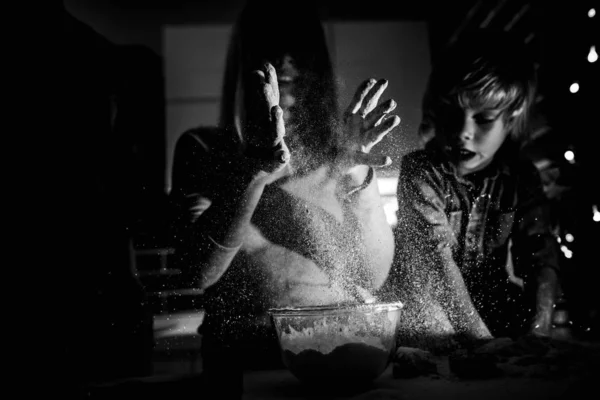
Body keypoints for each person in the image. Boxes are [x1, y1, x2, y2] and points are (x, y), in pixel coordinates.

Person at [168, 0, 401, 396]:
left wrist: (356, 171)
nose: (288, 62)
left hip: (346, 359)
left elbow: (371, 276)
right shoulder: (206, 149)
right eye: (272, 48)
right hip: (244, 367)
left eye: (301, 50)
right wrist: (253, 173)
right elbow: (197, 270)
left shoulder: (340, 155)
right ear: (246, 64)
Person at [385, 29, 561, 350]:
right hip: (427, 303)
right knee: (422, 329)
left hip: (490, 302)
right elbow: (436, 264)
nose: (463, 131)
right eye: (453, 113)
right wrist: (483, 343)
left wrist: (539, 332)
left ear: (511, 120)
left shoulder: (521, 177)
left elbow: (539, 255)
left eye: (484, 119)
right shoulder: (422, 170)